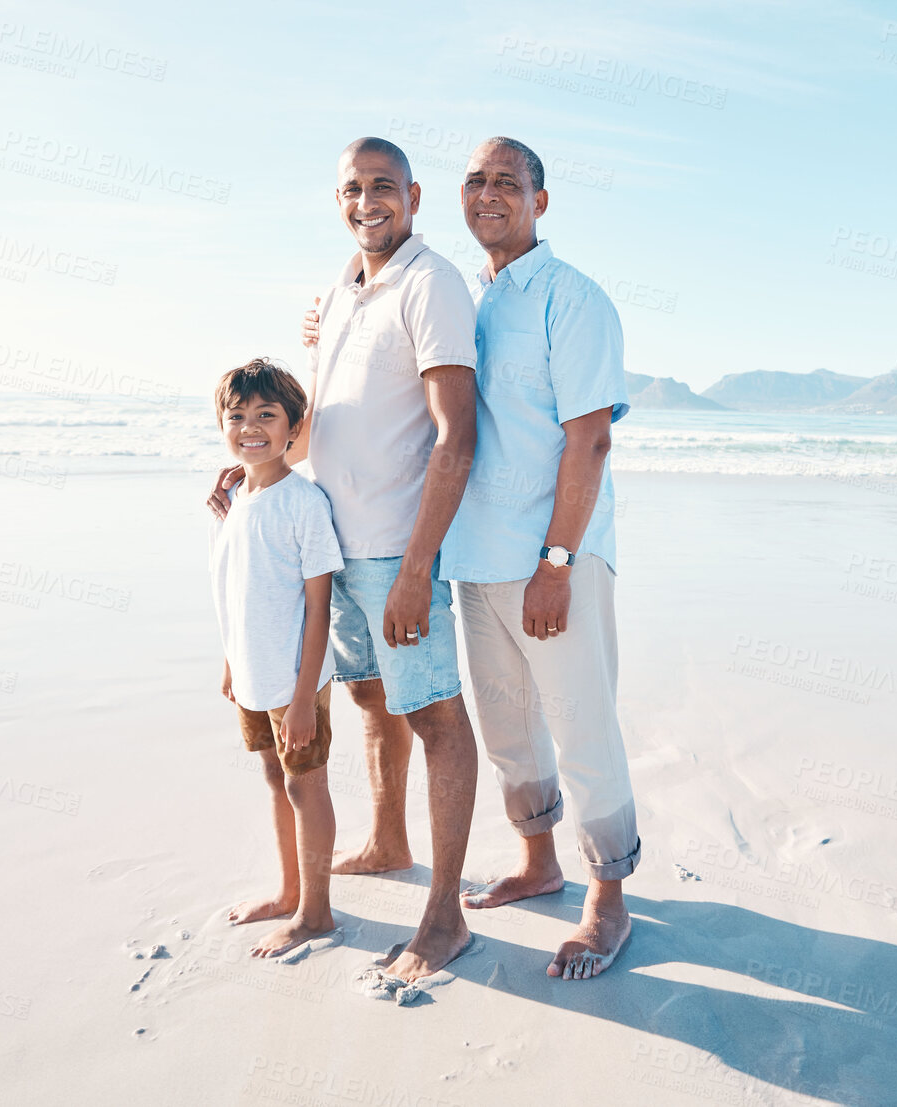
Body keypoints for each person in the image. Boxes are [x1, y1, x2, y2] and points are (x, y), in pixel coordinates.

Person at [303, 137, 643, 979]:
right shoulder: (474, 297)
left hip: (553, 555)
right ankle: (539, 860)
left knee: (581, 722)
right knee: (508, 730)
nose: (490, 194)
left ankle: (609, 899)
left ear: (541, 198)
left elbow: (590, 439)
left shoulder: (573, 299)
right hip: (474, 555)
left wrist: (557, 560)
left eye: (508, 182)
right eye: (477, 181)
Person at [208, 137, 480, 985]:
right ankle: (387, 839)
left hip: (396, 546)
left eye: (384, 187)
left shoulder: (433, 281)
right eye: (354, 189)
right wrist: (264, 470)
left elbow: (455, 434)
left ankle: (444, 915)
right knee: (367, 697)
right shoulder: (341, 286)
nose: (369, 200)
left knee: (433, 712)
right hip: (328, 533)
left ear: (414, 194)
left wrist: (414, 567)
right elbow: (319, 403)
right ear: (338, 201)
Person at [209, 357, 345, 959]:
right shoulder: (238, 495)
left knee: (304, 786)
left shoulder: (303, 502)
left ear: (295, 427)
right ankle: (289, 890)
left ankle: (317, 912)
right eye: (236, 416)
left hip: (296, 680)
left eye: (267, 414)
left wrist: (302, 698)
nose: (250, 427)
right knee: (274, 777)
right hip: (253, 673)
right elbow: (239, 586)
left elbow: (319, 609)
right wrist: (232, 661)